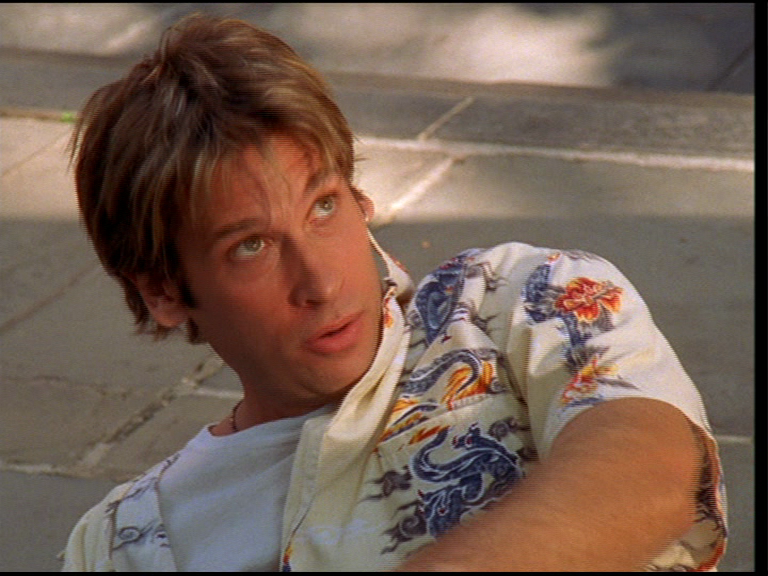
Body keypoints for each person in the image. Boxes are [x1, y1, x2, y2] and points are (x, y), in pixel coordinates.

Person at [62, 13, 726, 572]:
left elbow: (654, 474)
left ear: (360, 199)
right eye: (251, 246)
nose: (320, 282)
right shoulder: (121, 544)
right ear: (163, 291)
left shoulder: (524, 298)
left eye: (323, 206)